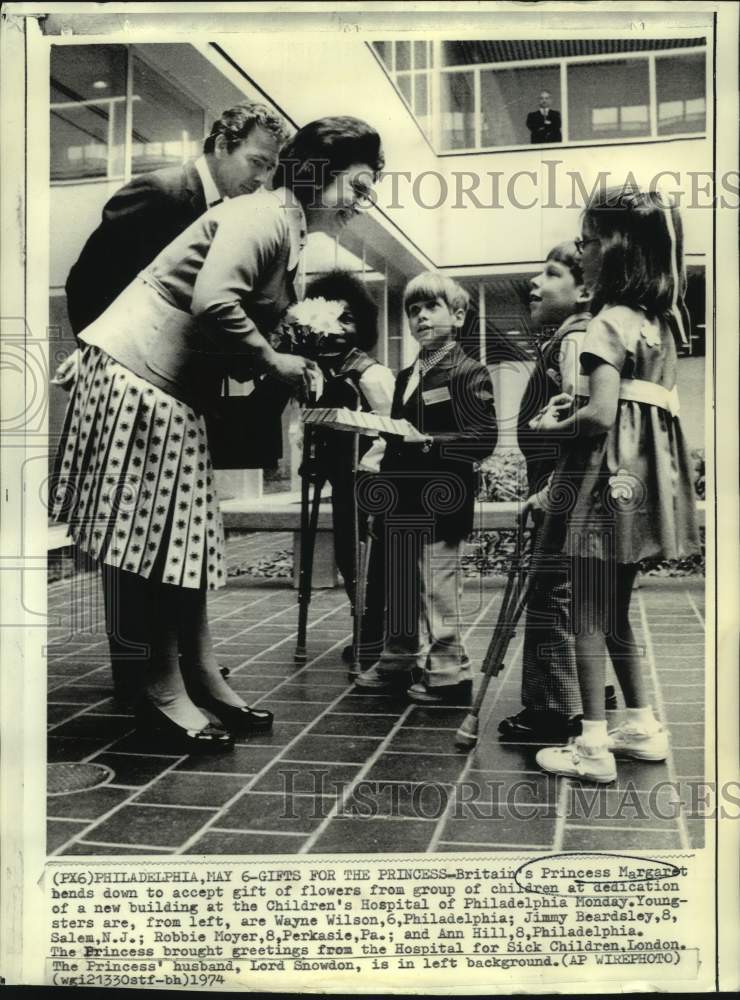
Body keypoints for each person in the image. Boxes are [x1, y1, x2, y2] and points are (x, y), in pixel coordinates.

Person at [51, 116, 385, 753]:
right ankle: (160, 689)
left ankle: (198, 677)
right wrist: (274, 360)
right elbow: (213, 303)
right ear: (317, 174)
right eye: (357, 184)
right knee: (155, 544)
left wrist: (285, 350)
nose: (361, 201)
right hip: (140, 376)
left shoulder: (282, 227)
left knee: (185, 540)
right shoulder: (261, 216)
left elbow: (231, 315)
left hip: (163, 384)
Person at [54, 102, 291, 701]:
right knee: (134, 538)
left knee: (174, 537)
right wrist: (100, 353)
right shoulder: (161, 192)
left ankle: (183, 667)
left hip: (181, 390)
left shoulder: (238, 212)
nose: (261, 178)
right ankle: (142, 678)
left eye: (270, 169)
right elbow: (90, 281)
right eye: (256, 162)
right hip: (135, 381)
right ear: (221, 143)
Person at [532, 185, 700, 783]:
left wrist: (559, 420)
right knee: (616, 612)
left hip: (603, 485)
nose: (584, 251)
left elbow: (601, 415)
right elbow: (637, 403)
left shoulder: (606, 321)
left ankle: (593, 746)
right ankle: (641, 724)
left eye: (589, 241)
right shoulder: (663, 322)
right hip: (643, 486)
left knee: (585, 613)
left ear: (618, 252)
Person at [355, 273, 497, 705]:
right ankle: (398, 660)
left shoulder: (469, 372)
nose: (419, 316)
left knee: (437, 588)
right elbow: (397, 439)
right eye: (412, 310)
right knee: (400, 584)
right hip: (402, 499)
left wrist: (432, 441)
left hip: (441, 498)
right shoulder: (404, 377)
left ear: (457, 316)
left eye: (429, 308)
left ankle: (450, 674)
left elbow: (483, 438)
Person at [499, 242, 591, 741]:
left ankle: (552, 711)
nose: (535, 283)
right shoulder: (564, 339)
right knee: (567, 590)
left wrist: (553, 487)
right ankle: (581, 692)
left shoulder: (574, 341)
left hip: (560, 487)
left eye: (551, 274)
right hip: (560, 485)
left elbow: (582, 424)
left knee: (550, 591)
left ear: (584, 291)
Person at [301, 269, 395, 668]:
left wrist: (373, 466)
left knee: (371, 558)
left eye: (348, 318)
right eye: (330, 319)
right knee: (346, 553)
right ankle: (364, 624)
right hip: (341, 477)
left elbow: (393, 428)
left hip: (368, 477)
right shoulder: (320, 372)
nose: (338, 330)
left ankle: (377, 630)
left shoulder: (371, 373)